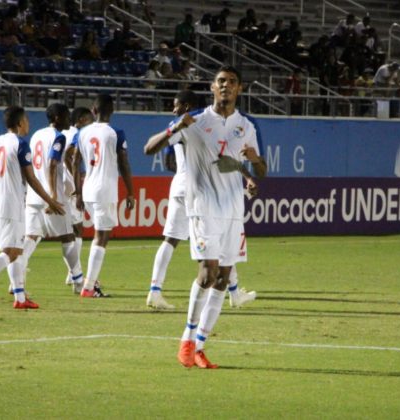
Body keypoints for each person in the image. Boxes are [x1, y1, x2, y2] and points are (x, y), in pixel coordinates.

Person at [154, 66, 266, 368]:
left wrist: (254, 165)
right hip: (203, 208)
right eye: (221, 81)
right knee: (208, 273)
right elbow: (149, 147)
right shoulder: (196, 121)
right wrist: (174, 128)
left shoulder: (246, 126)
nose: (226, 85)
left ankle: (200, 346)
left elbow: (260, 170)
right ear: (212, 88)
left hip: (233, 212)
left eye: (232, 81)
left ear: (240, 88)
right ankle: (187, 339)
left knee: (224, 278)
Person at [143, 89, 259, 310]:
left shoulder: (182, 124)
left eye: (177, 105)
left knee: (170, 240)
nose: (174, 110)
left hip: (180, 185)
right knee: (219, 243)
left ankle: (155, 290)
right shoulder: (200, 123)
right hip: (201, 191)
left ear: (187, 106)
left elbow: (168, 161)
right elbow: (221, 159)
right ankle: (233, 293)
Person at [0, 106, 64, 310]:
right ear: (19, 123)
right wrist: (51, 201)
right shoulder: (20, 144)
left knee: (13, 250)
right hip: (12, 205)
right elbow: (31, 179)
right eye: (26, 120)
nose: (28, 124)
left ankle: (20, 298)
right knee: (13, 252)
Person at [73, 94, 135, 298]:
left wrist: (78, 192)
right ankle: (89, 286)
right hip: (105, 190)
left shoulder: (82, 132)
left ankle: (92, 282)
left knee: (98, 235)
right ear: (113, 111)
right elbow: (123, 163)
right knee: (102, 237)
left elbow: (74, 162)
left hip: (88, 190)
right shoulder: (116, 133)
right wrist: (131, 191)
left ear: (93, 110)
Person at [20, 104, 84, 294]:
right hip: (51, 197)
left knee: (31, 238)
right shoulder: (59, 137)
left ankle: (17, 281)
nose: (69, 119)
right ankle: (78, 281)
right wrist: (53, 196)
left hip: (34, 195)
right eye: (66, 116)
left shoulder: (36, 135)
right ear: (57, 118)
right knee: (68, 237)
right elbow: (53, 164)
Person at [62, 107, 95, 288]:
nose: (92, 124)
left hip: (58, 186)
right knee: (77, 230)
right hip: (71, 188)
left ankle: (73, 274)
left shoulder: (62, 133)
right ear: (81, 119)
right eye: (90, 120)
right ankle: (74, 274)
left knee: (69, 232)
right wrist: (76, 180)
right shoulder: (77, 134)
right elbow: (69, 156)